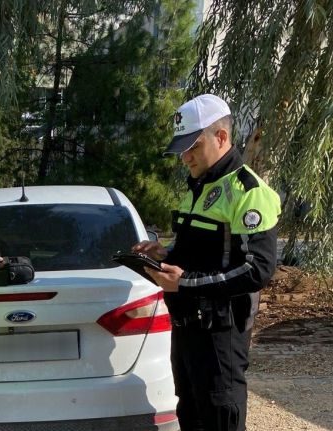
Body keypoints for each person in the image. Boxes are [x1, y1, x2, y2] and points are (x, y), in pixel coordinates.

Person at [133, 94, 280, 431]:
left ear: (222, 138)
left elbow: (256, 269)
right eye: (182, 149)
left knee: (219, 419)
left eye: (193, 147)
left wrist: (184, 282)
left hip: (220, 335)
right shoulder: (198, 187)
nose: (185, 157)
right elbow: (198, 251)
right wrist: (163, 254)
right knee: (191, 417)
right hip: (186, 330)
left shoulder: (248, 192)